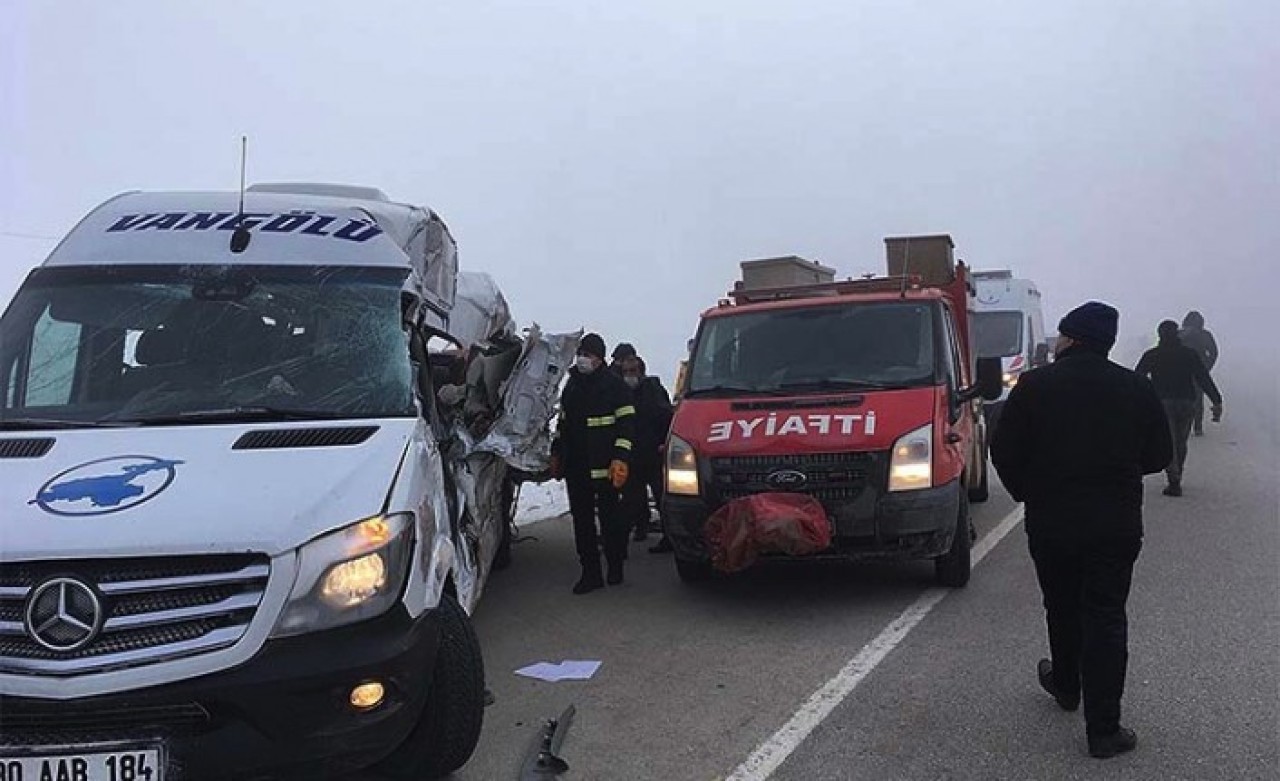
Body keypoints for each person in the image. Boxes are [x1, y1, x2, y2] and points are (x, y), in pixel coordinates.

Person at [992, 301, 1173, 760]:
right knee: (1106, 616)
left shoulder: (1035, 386)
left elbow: (1004, 448)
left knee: (1062, 604)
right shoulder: (1134, 387)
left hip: (1053, 520)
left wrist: (1026, 490)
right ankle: (1104, 731)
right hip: (1115, 522)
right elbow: (1159, 455)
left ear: (1070, 339)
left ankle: (1067, 685)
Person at [551, 333, 635, 594]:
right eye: (581, 354)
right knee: (583, 523)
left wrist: (621, 458)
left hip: (607, 468)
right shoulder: (572, 387)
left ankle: (615, 566)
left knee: (612, 521)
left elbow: (627, 426)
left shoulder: (615, 386)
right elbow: (562, 424)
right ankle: (590, 573)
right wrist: (556, 453)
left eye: (589, 355)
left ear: (599, 359)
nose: (583, 359)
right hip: (577, 468)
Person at [1135, 320, 1224, 496]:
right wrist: (1217, 400)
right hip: (1187, 402)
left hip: (1162, 402)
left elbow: (1138, 380)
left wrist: (1136, 403)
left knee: (1170, 441)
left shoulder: (1152, 355)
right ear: (1177, 334)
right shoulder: (1189, 354)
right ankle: (1177, 475)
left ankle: (1173, 479)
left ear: (1159, 334)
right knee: (1181, 442)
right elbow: (1203, 378)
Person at [617, 356, 674, 544]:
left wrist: (664, 442)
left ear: (641, 372)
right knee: (633, 497)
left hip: (653, 453)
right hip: (633, 454)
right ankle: (640, 527)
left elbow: (667, 416)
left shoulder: (653, 390)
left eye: (632, 372)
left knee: (661, 496)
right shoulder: (622, 393)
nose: (629, 376)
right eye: (625, 372)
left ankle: (669, 537)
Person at [1178, 311, 1220, 436]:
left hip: (1180, 371)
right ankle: (1197, 427)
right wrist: (1207, 367)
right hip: (1199, 370)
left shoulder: (1179, 334)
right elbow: (1213, 353)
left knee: (1181, 397)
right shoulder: (1205, 335)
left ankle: (1181, 425)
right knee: (1197, 398)